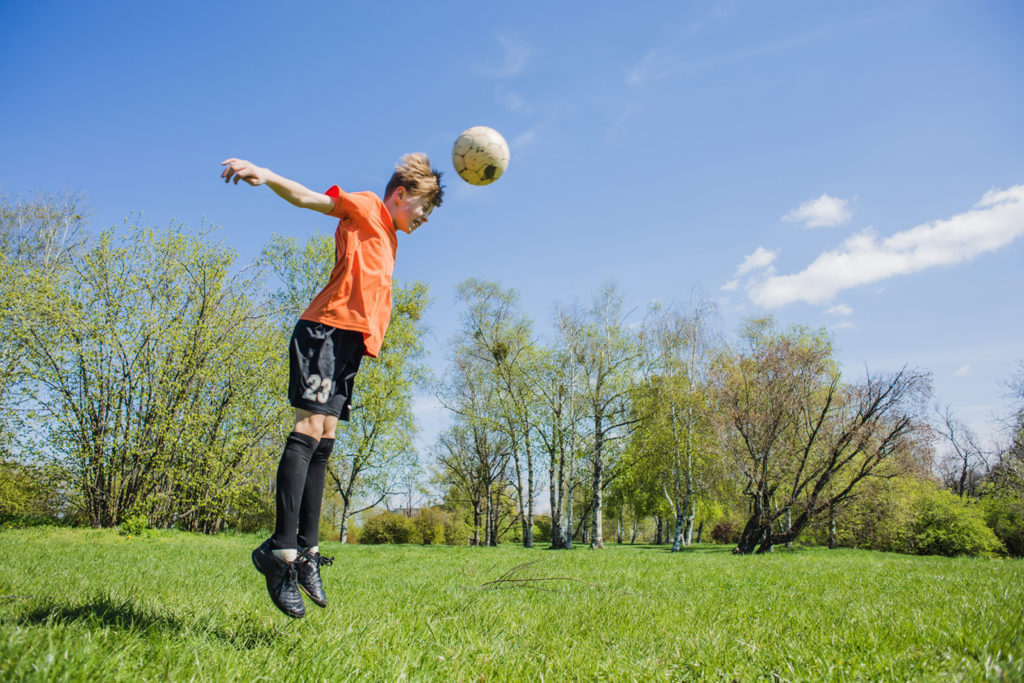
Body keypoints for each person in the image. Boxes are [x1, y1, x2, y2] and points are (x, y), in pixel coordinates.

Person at [220, 154, 443, 618]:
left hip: (347, 346)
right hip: (323, 330)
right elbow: (309, 199)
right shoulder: (365, 207)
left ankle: (307, 550)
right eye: (424, 206)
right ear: (400, 194)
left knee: (325, 438)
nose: (425, 218)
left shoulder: (390, 237)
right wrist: (267, 175)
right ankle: (279, 554)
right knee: (308, 430)